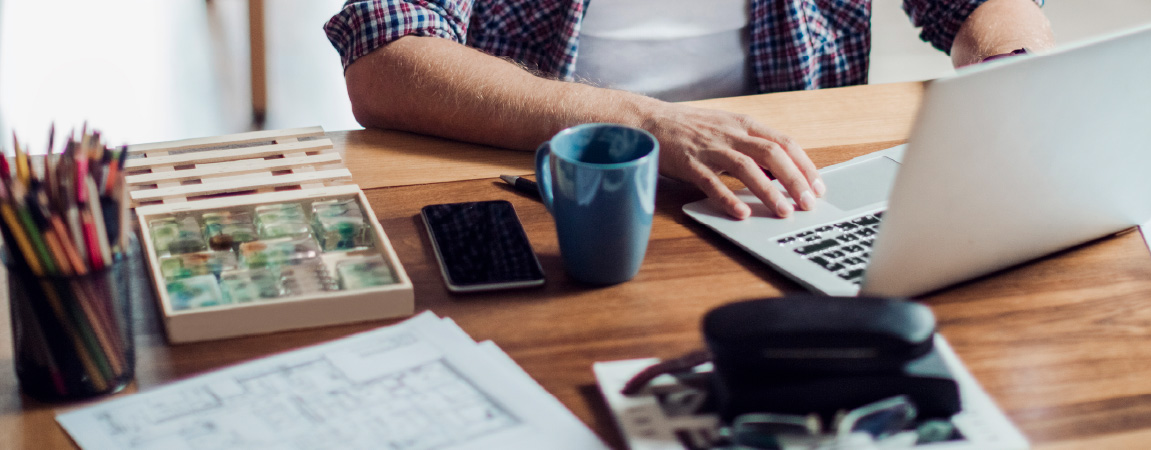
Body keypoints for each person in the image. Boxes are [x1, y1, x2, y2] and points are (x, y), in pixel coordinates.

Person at [325, 0, 1053, 219]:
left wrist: (1012, 73)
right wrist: (646, 124)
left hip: (782, 189)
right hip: (549, 189)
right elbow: (387, 60)